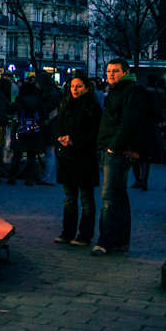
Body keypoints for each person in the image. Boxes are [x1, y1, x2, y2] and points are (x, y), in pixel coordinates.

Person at [90, 58, 149, 256]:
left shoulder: (131, 90)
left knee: (109, 198)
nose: (110, 74)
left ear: (125, 72)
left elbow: (129, 122)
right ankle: (121, 241)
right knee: (119, 197)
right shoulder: (118, 90)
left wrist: (113, 147)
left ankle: (105, 242)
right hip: (114, 148)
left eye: (115, 71)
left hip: (118, 151)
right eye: (108, 70)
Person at [55, 71, 103, 247]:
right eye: (73, 86)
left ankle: (85, 235)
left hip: (84, 157)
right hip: (68, 157)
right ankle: (68, 232)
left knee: (86, 198)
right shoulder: (66, 104)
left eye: (79, 86)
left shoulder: (93, 106)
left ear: (87, 88)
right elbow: (59, 125)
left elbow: (94, 133)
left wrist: (74, 141)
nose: (75, 89)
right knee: (69, 198)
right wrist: (61, 138)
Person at [7, 78, 46, 185]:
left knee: (17, 154)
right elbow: (44, 115)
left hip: (20, 130)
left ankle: (12, 178)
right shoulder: (38, 101)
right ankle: (30, 179)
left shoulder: (19, 100)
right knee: (32, 156)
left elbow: (10, 110)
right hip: (34, 131)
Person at [34, 73, 62, 185]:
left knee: (50, 152)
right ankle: (48, 177)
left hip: (51, 126)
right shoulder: (53, 93)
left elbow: (46, 110)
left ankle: (48, 177)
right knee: (50, 152)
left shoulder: (51, 95)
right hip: (53, 125)